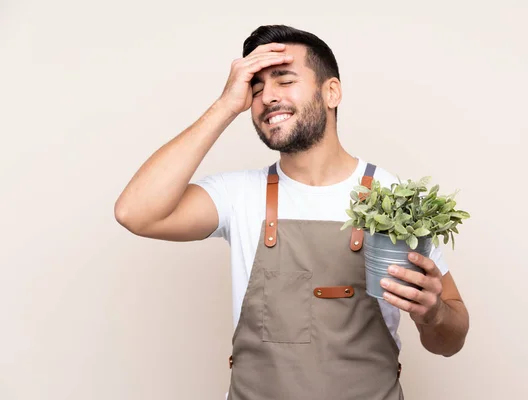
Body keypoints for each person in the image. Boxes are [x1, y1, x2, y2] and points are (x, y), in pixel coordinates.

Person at [114, 24, 469, 400]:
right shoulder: (238, 195)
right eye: (255, 88)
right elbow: (135, 212)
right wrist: (224, 106)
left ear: (331, 92)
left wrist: (434, 315)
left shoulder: (392, 200)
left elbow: (450, 341)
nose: (267, 97)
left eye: (284, 80)